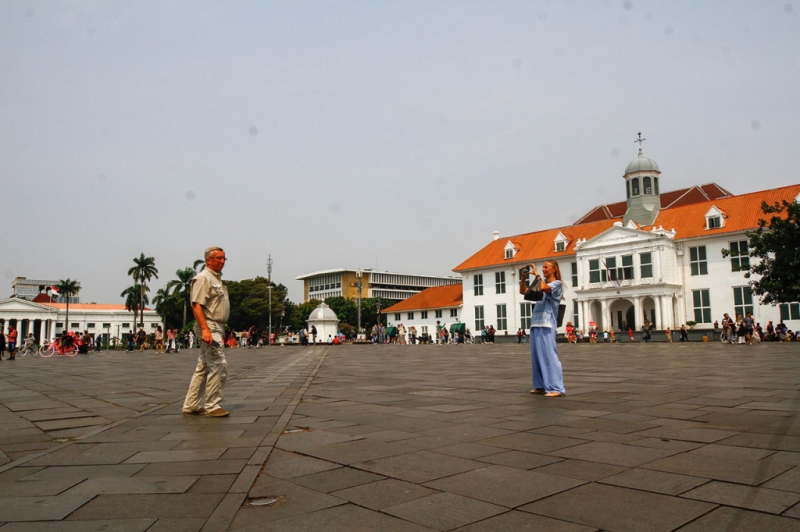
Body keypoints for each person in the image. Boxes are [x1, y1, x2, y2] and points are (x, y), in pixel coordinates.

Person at [183, 247, 231, 418]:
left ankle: (191, 404)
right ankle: (213, 405)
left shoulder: (216, 279)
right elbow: (196, 305)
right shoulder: (203, 278)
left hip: (216, 325)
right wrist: (205, 329)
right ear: (208, 260)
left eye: (224, 258)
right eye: (218, 258)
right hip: (209, 325)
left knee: (203, 366)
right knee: (218, 363)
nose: (222, 261)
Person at [520, 261, 565, 398]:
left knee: (549, 354)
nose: (544, 269)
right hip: (536, 323)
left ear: (554, 269)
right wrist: (523, 276)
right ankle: (540, 385)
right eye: (543, 267)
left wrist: (537, 275)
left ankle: (556, 388)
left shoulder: (557, 284)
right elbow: (524, 291)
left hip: (547, 323)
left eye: (546, 267)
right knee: (537, 356)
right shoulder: (540, 283)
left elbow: (544, 287)